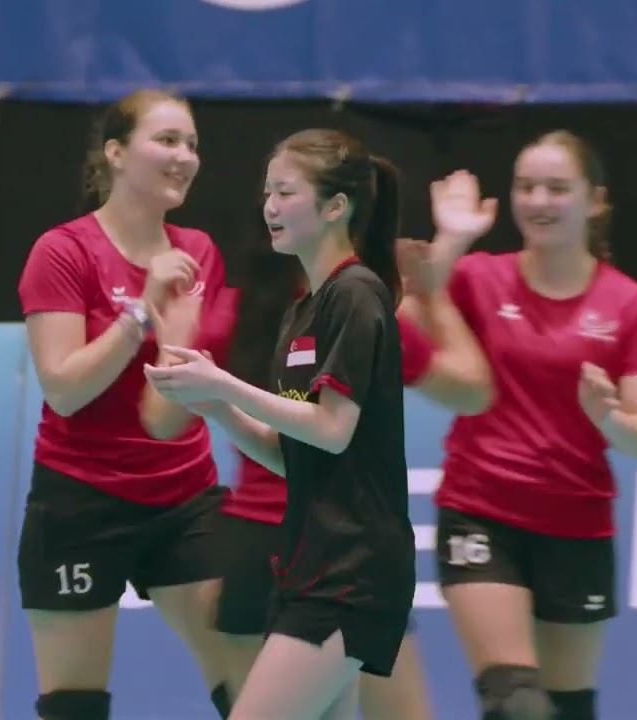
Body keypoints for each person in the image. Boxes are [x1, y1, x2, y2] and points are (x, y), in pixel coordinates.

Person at [144, 128, 417, 719]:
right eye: (267, 192)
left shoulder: (356, 294)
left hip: (352, 572)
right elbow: (291, 455)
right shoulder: (304, 310)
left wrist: (226, 385)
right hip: (309, 564)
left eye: (286, 192)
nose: (269, 206)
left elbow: (333, 429)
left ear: (335, 207)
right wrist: (215, 406)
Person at [404, 131, 637, 720]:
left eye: (557, 188)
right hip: (481, 511)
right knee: (515, 701)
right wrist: (452, 239)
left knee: (568, 708)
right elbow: (409, 320)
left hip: (578, 524)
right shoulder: (478, 276)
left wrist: (610, 417)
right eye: (526, 187)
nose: (539, 201)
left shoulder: (629, 303)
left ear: (595, 200)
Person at [209, 230, 494, 718]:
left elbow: (159, 419)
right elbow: (471, 390)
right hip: (339, 555)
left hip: (253, 553)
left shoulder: (232, 311)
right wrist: (432, 292)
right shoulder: (361, 314)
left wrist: (168, 333)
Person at [15, 88, 233, 720]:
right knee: (74, 706)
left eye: (192, 144)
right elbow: (64, 389)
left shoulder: (199, 253)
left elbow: (188, 385)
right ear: (115, 153)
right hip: (81, 502)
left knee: (255, 689)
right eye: (166, 140)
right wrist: (140, 311)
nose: (184, 156)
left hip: (184, 498)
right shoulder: (63, 251)